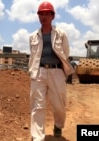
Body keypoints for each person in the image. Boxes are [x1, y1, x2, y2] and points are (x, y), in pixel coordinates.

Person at [28, 1, 74, 141]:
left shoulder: (61, 34)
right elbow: (34, 55)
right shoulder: (33, 36)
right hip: (39, 72)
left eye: (47, 14)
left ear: (52, 16)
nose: (44, 17)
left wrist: (59, 69)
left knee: (59, 104)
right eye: (41, 14)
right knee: (37, 105)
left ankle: (58, 126)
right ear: (38, 17)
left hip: (57, 72)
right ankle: (37, 137)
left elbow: (65, 53)